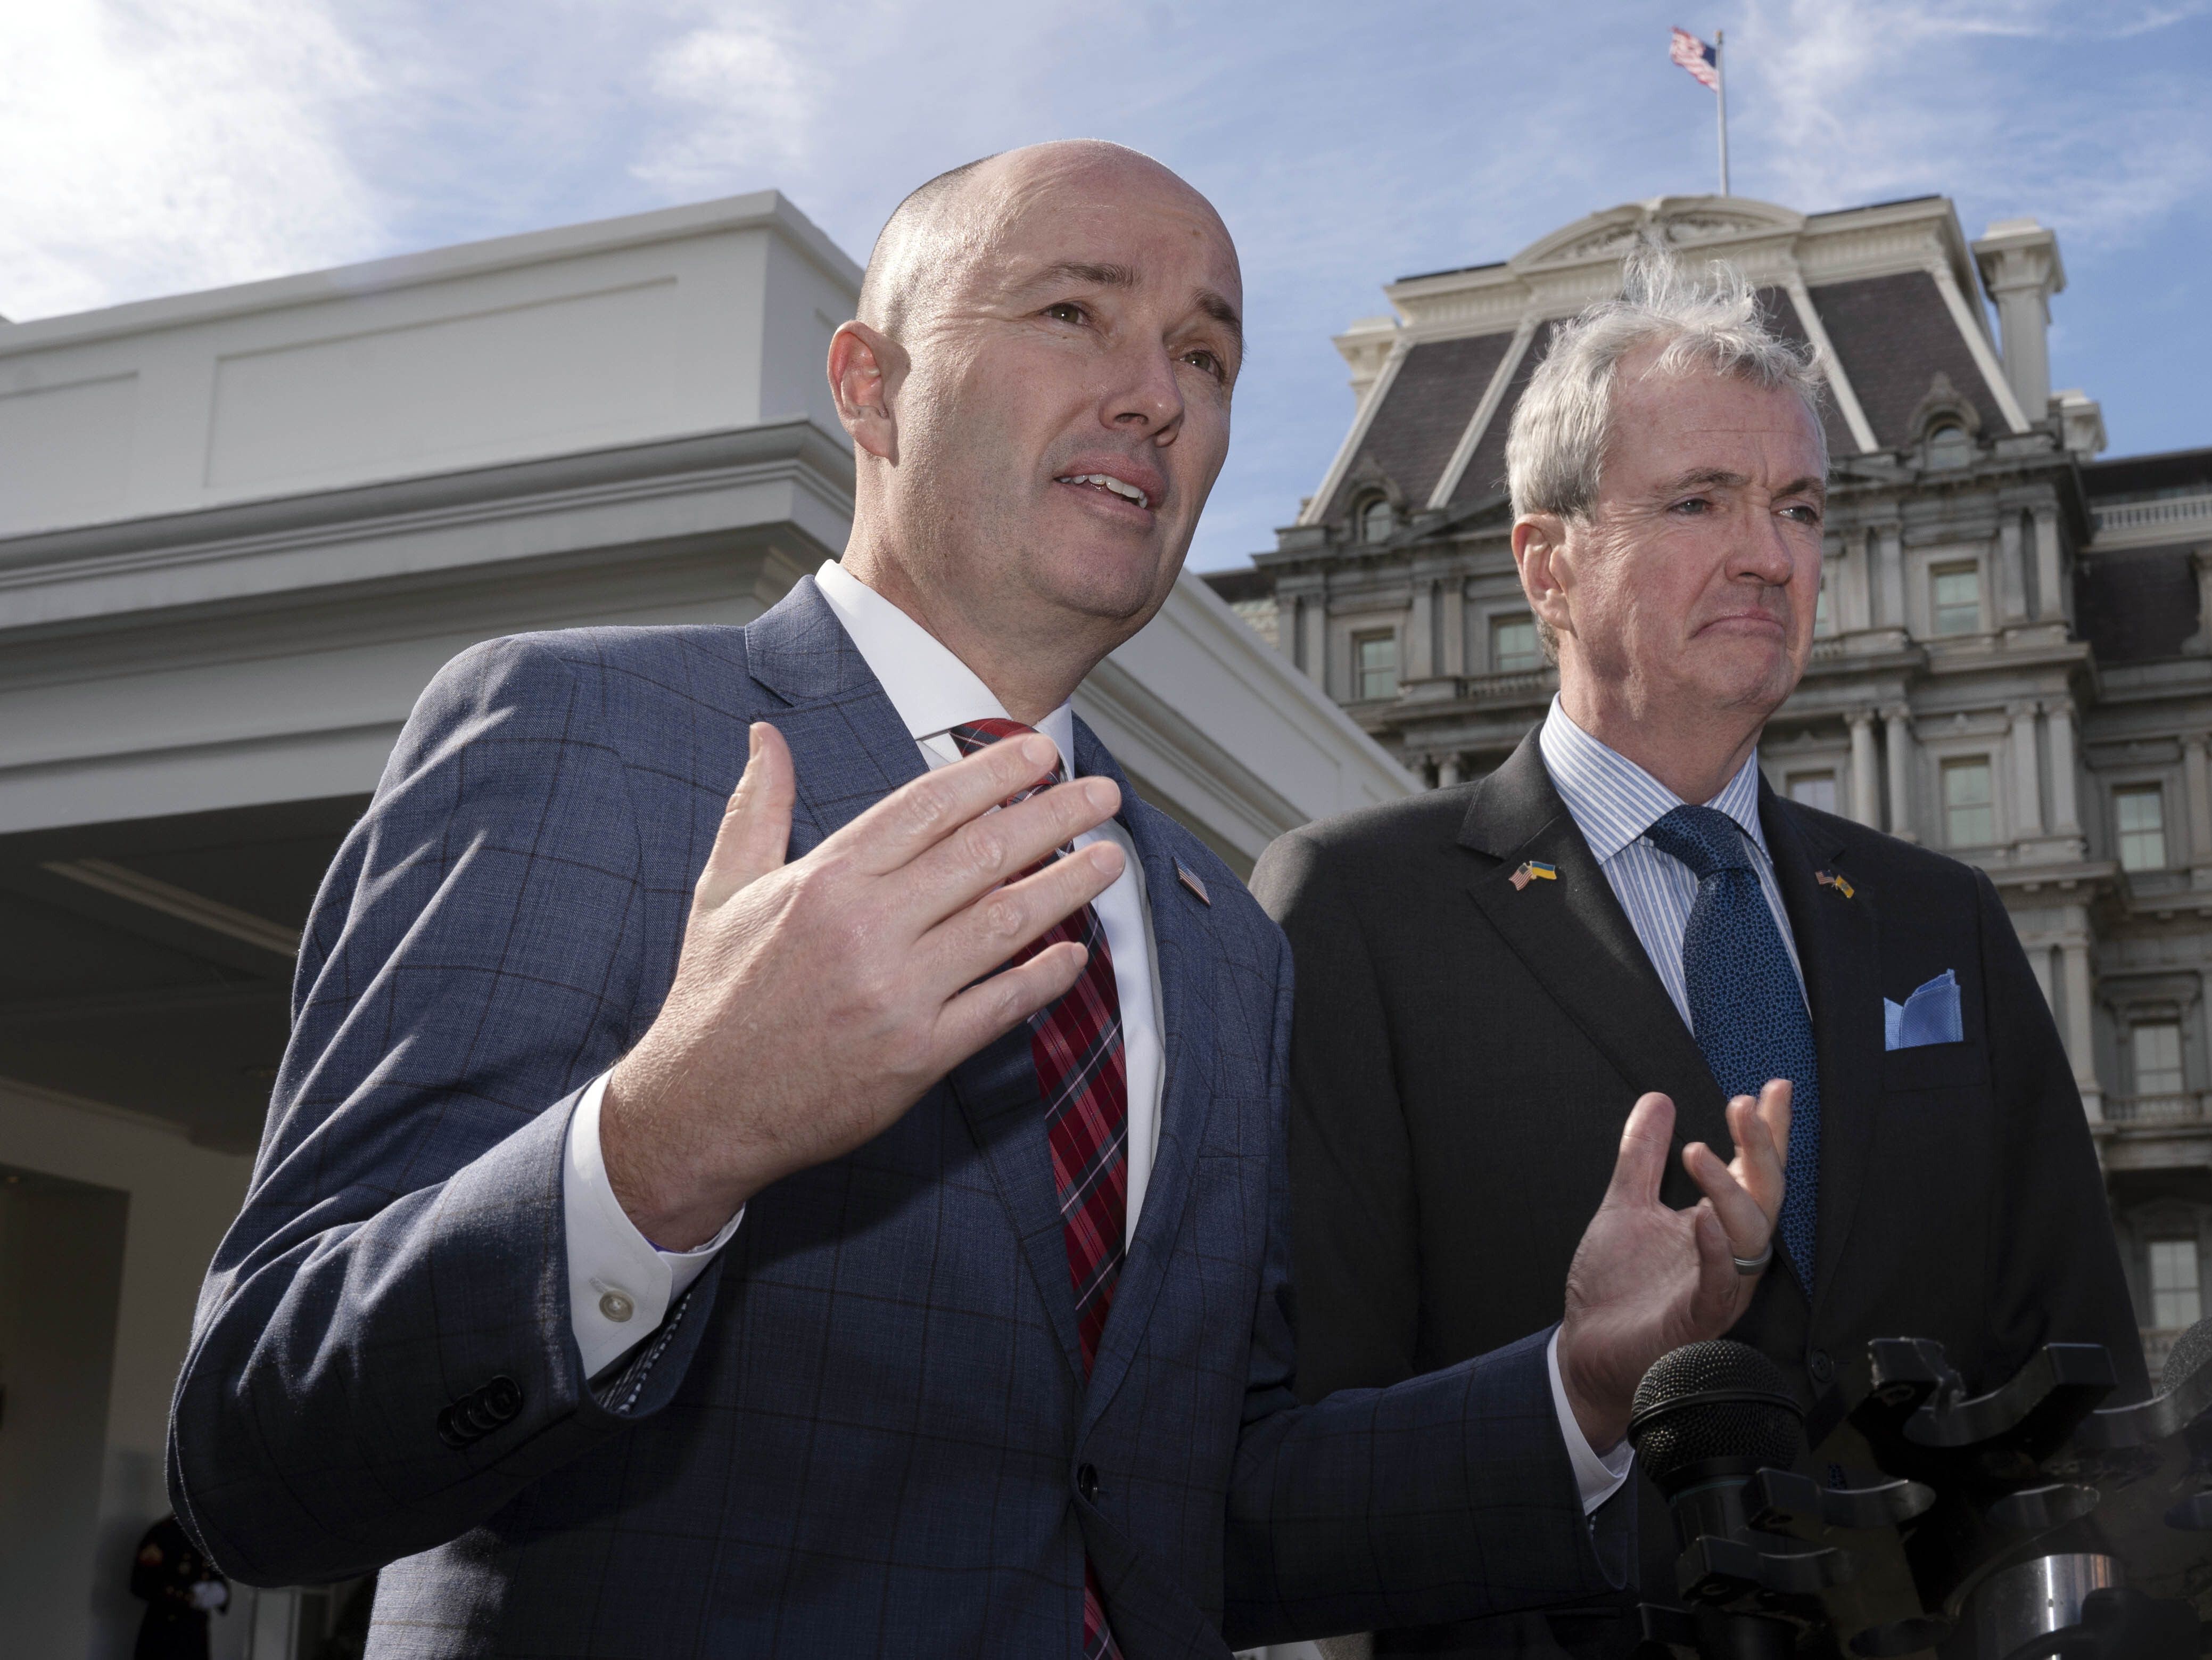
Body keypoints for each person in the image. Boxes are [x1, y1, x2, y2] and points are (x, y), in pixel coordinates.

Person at [168, 143, 1795, 1658]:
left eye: (1206, 357)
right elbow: (260, 1450)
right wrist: (666, 1140)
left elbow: (1187, 1510)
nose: (1154, 394)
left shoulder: (1219, 939)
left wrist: (1576, 1392)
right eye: (1074, 312)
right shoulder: (570, 733)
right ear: (868, 385)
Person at [1252, 251, 2145, 1657]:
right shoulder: (1357, 912)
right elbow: (1280, 1488)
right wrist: (1574, 1393)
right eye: (1697, 501)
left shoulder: (1937, 920)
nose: (1769, 552)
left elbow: (2085, 1390)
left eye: (1797, 507)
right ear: (1545, 564)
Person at [129, 1514, 226, 1660]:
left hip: (195, 1635)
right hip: (162, 1634)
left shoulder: (207, 1535)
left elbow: (220, 1582)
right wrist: (185, 1596)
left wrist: (217, 1593)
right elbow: (140, 1584)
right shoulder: (163, 1532)